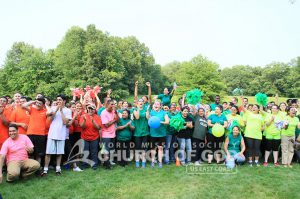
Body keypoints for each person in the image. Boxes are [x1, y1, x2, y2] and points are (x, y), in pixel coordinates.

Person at [42, 94, 72, 176]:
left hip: (61, 134)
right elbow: (50, 119)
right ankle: (45, 170)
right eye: (57, 99)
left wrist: (61, 111)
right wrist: (56, 110)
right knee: (48, 153)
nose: (58, 101)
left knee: (59, 153)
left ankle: (58, 169)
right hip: (52, 134)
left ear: (64, 101)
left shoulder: (68, 111)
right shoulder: (53, 108)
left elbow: (65, 122)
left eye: (60, 100)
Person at [22, 97, 47, 165]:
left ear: (43, 105)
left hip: (41, 134)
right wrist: (33, 102)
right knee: (30, 153)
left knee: (38, 154)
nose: (38, 104)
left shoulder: (45, 111)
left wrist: (46, 105)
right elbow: (23, 106)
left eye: (40, 103)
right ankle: (30, 167)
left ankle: (37, 169)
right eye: (37, 103)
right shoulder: (32, 109)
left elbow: (51, 112)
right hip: (30, 133)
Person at [146, 101, 169, 168]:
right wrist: (148, 109)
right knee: (153, 149)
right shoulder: (151, 112)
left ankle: (160, 162)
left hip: (162, 134)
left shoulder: (164, 113)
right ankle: (153, 161)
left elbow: (167, 122)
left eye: (157, 104)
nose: (156, 105)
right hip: (153, 134)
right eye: (155, 104)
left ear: (160, 106)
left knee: (160, 148)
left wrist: (160, 122)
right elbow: (147, 118)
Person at [242, 99, 264, 167]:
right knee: (250, 148)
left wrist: (263, 128)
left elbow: (263, 126)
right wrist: (242, 100)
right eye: (253, 107)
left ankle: (256, 161)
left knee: (257, 148)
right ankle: (250, 161)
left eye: (255, 107)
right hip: (249, 134)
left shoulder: (261, 116)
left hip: (258, 134)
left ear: (258, 109)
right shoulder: (249, 113)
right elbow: (243, 108)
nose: (253, 108)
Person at [80, 104, 101, 170]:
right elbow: (82, 126)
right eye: (89, 108)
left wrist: (93, 121)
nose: (90, 110)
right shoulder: (83, 116)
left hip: (94, 137)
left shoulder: (97, 117)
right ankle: (84, 164)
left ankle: (94, 165)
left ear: (95, 110)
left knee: (94, 152)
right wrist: (84, 120)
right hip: (84, 137)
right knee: (85, 151)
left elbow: (98, 127)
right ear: (87, 109)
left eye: (92, 109)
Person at [101, 99, 119, 169]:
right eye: (111, 104)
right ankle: (107, 165)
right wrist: (114, 120)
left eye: (114, 104)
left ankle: (107, 162)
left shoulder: (113, 112)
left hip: (113, 134)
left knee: (111, 149)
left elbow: (118, 120)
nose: (113, 106)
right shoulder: (103, 113)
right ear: (107, 105)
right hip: (106, 135)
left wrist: (116, 113)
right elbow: (106, 125)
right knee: (106, 150)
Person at [133, 98, 149, 168]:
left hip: (145, 132)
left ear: (144, 103)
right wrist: (138, 108)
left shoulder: (146, 109)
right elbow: (137, 117)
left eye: (142, 101)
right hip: (137, 133)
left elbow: (148, 118)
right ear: (137, 103)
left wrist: (147, 110)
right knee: (137, 148)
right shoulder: (134, 110)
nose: (141, 102)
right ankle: (137, 161)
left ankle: (143, 161)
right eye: (139, 101)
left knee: (144, 148)